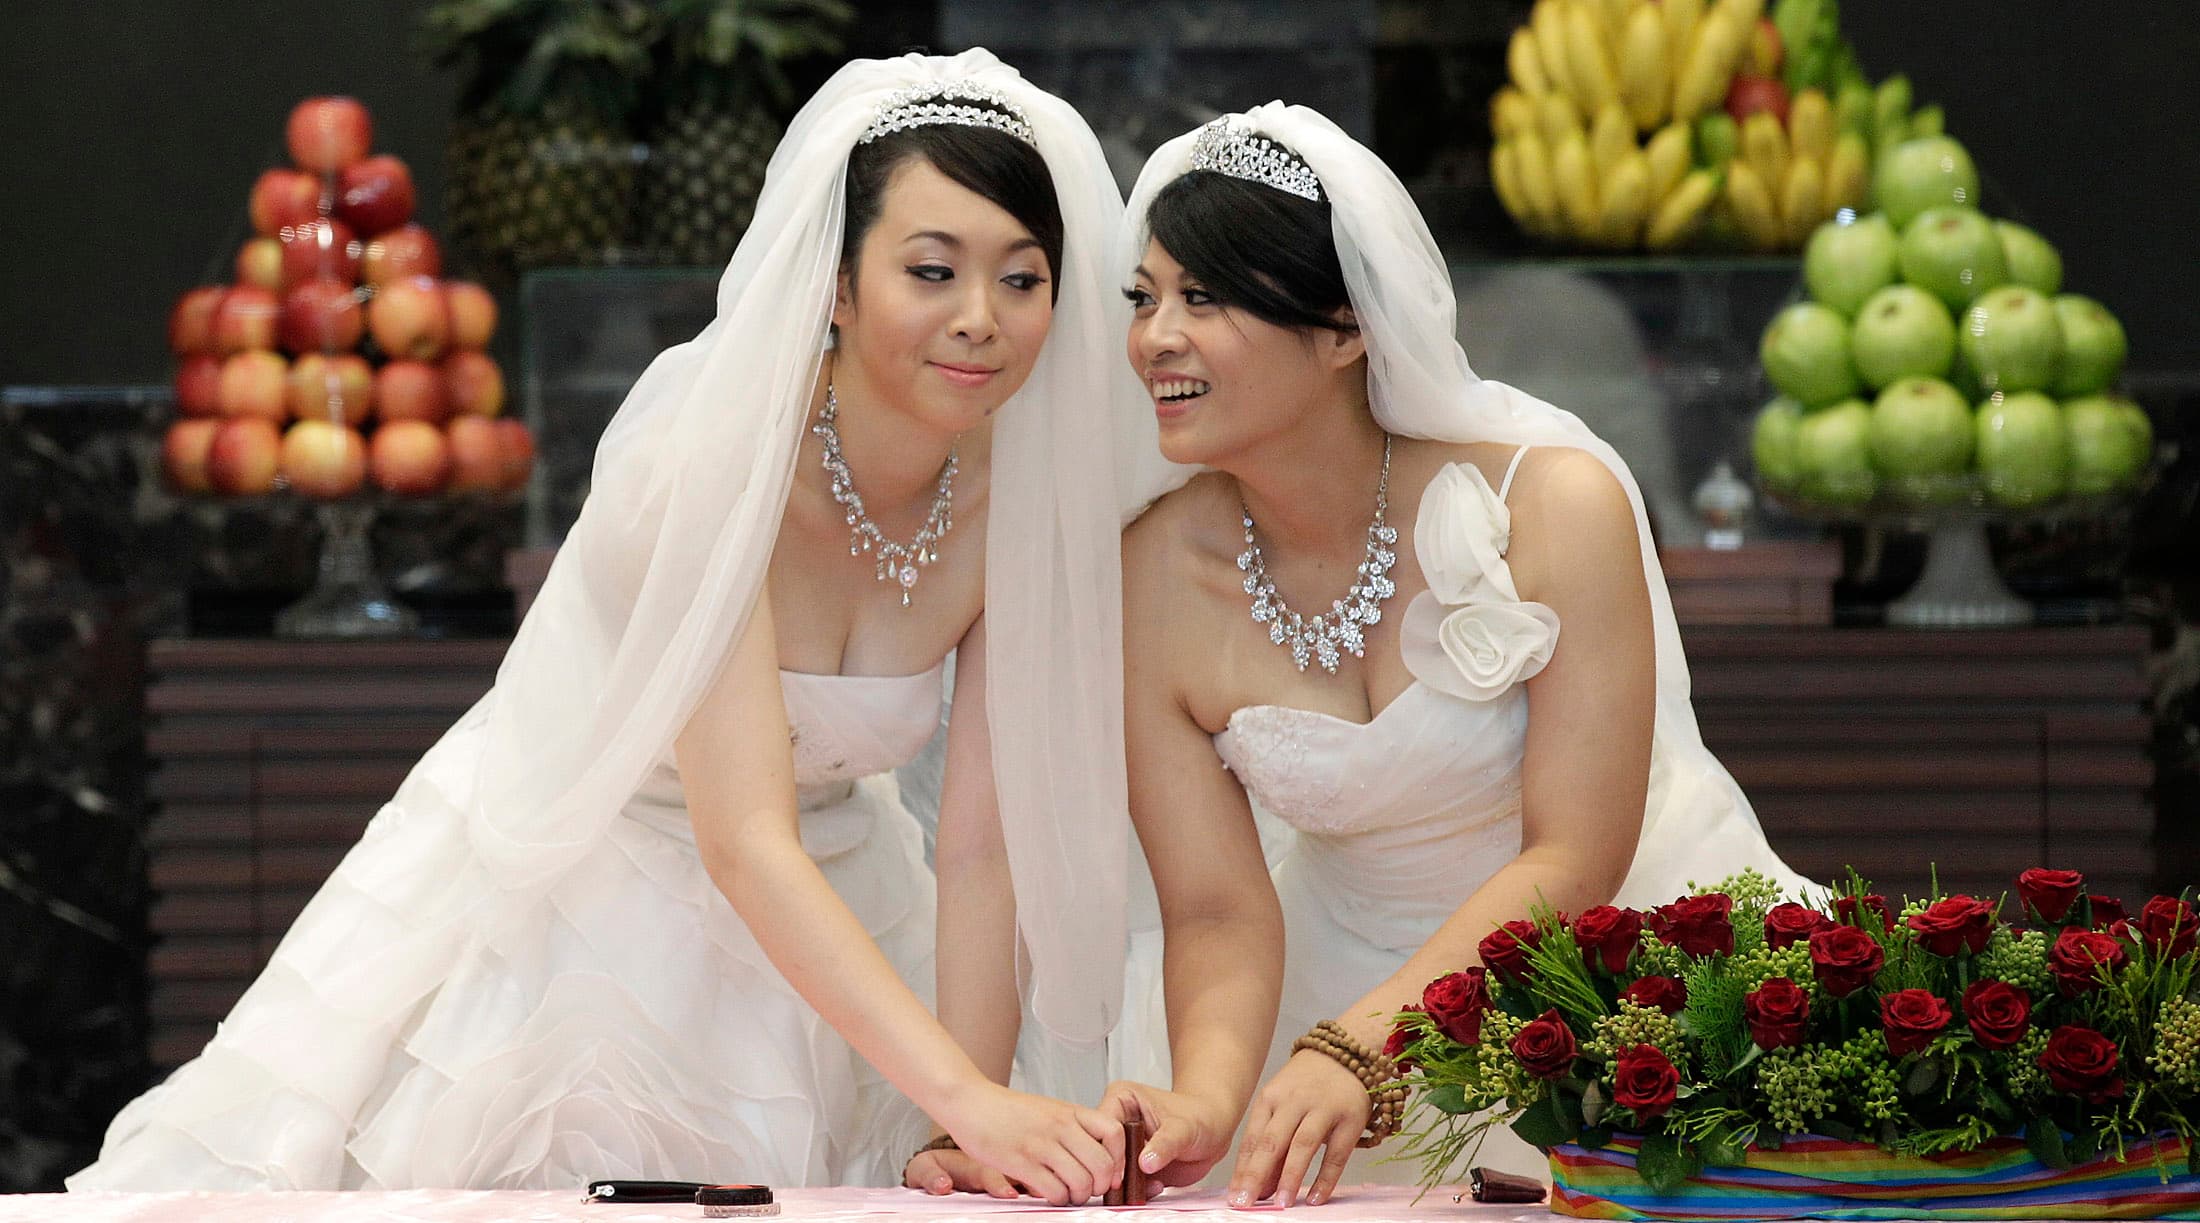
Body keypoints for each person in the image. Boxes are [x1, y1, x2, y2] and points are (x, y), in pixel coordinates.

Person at [71, 50, 1139, 1198]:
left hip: (848, 900)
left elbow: (978, 848)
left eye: (1022, 279)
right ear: (834, 285)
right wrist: (967, 1097)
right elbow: (744, 837)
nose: (980, 319)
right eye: (931, 270)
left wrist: (957, 1119)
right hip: (586, 901)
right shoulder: (715, 463)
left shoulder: (1014, 498)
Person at [1099, 105, 1811, 1207]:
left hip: (1605, 976)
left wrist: (1368, 1038)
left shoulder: (1552, 505)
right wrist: (1207, 1094)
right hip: (1318, 1000)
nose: (1155, 337)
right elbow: (1216, 910)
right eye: (1143, 298)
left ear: (1346, 325)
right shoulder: (1150, 575)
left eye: (1203, 296)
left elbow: (1576, 849)